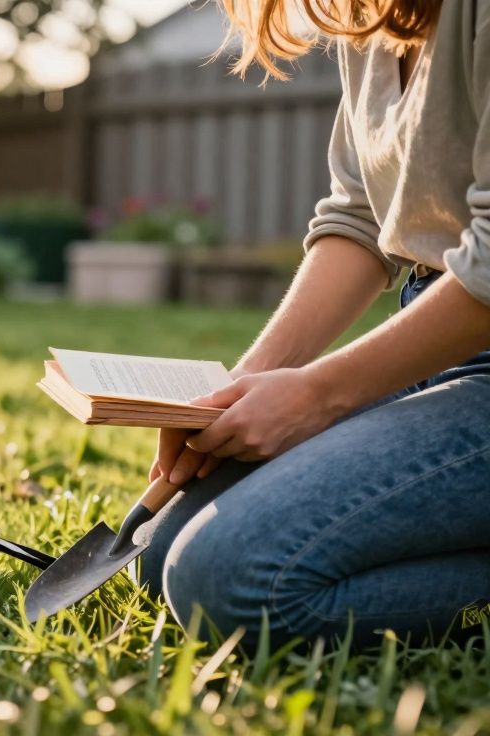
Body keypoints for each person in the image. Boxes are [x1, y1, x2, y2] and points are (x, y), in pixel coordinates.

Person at [141, 0, 490, 648]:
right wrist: (241, 390)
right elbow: (360, 217)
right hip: (438, 340)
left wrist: (317, 395)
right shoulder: (373, 17)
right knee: (159, 552)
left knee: (227, 581)